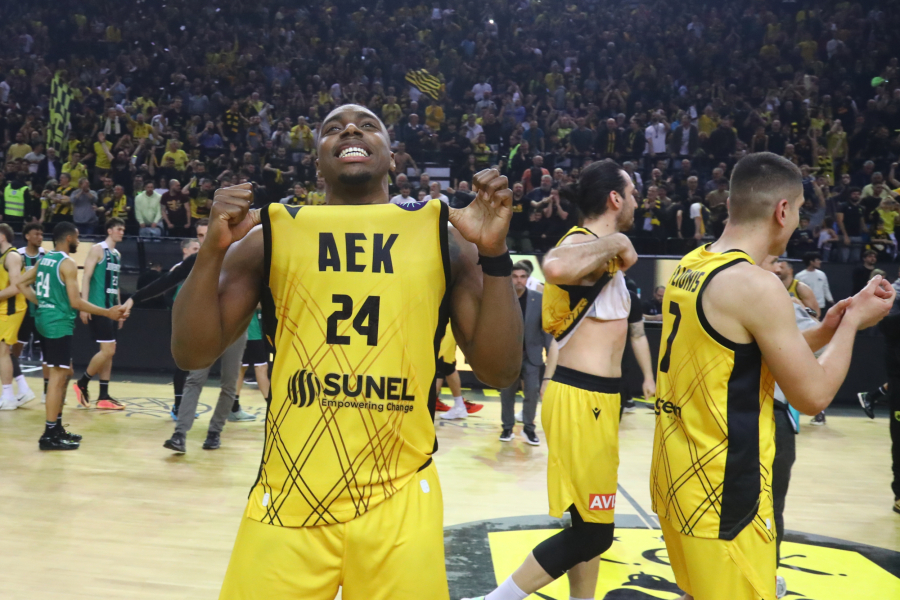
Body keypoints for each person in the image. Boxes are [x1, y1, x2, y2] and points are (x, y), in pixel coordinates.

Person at [170, 104, 522, 600]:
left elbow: (500, 371)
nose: (351, 129)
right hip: (289, 492)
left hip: (400, 496)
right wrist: (212, 248)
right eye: (332, 128)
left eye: (367, 125)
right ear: (317, 162)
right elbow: (191, 352)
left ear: (393, 158)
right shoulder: (271, 235)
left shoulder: (443, 238)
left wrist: (494, 253)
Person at [650, 152, 894, 600]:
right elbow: (813, 396)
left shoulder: (692, 264)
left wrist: (829, 327)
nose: (798, 221)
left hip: (676, 476)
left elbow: (744, 352)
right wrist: (855, 324)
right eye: (799, 210)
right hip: (725, 493)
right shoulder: (755, 284)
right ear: (783, 210)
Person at [466, 159, 638, 600]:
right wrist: (619, 240)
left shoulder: (598, 252)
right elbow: (555, 266)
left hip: (594, 398)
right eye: (632, 193)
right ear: (614, 199)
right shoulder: (583, 243)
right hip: (584, 398)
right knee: (595, 533)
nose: (637, 201)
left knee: (587, 522)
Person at [18, 222, 127, 450]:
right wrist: (106, 312)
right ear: (68, 238)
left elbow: (21, 283)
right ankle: (49, 434)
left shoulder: (44, 259)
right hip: (57, 324)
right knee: (58, 378)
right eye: (77, 238)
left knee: (65, 372)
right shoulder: (66, 263)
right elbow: (76, 302)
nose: (78, 241)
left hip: (45, 320)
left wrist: (43, 302)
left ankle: (57, 427)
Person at [498, 262, 558, 444]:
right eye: (515, 276)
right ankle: (507, 428)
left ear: (528, 278)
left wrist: (549, 351)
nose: (519, 280)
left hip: (531, 355)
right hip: (508, 356)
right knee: (506, 394)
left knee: (532, 393)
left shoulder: (538, 299)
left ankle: (529, 429)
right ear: (510, 278)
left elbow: (546, 329)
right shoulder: (501, 299)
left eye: (522, 277)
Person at [73, 218, 126, 410]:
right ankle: (82, 383)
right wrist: (84, 306)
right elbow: (86, 277)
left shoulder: (117, 255)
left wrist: (120, 308)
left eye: (123, 229)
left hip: (111, 309)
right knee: (108, 350)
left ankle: (103, 396)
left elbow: (115, 283)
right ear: (109, 230)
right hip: (98, 307)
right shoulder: (97, 249)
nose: (122, 232)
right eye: (119, 229)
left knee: (109, 352)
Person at [0, 224, 31, 409]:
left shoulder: (12, 256)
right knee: (4, 352)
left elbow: (15, 287)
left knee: (3, 351)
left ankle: (8, 396)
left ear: (2, 236)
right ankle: (23, 388)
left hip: (12, 309)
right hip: (3, 308)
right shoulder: (3, 256)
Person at [14, 222, 46, 401]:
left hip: (41, 311)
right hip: (22, 311)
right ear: (27, 236)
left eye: (41, 234)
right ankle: (19, 387)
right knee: (15, 350)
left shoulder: (45, 256)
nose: (40, 237)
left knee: (47, 352)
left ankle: (47, 391)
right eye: (36, 234)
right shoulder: (17, 256)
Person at [433, 323, 484, 417]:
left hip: (446, 327)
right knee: (448, 367)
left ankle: (428, 405)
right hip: (440, 326)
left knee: (441, 364)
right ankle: (459, 405)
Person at [232, 307, 266, 421]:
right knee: (261, 367)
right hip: (250, 332)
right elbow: (257, 304)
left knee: (241, 368)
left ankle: (234, 409)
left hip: (241, 331)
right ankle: (274, 409)